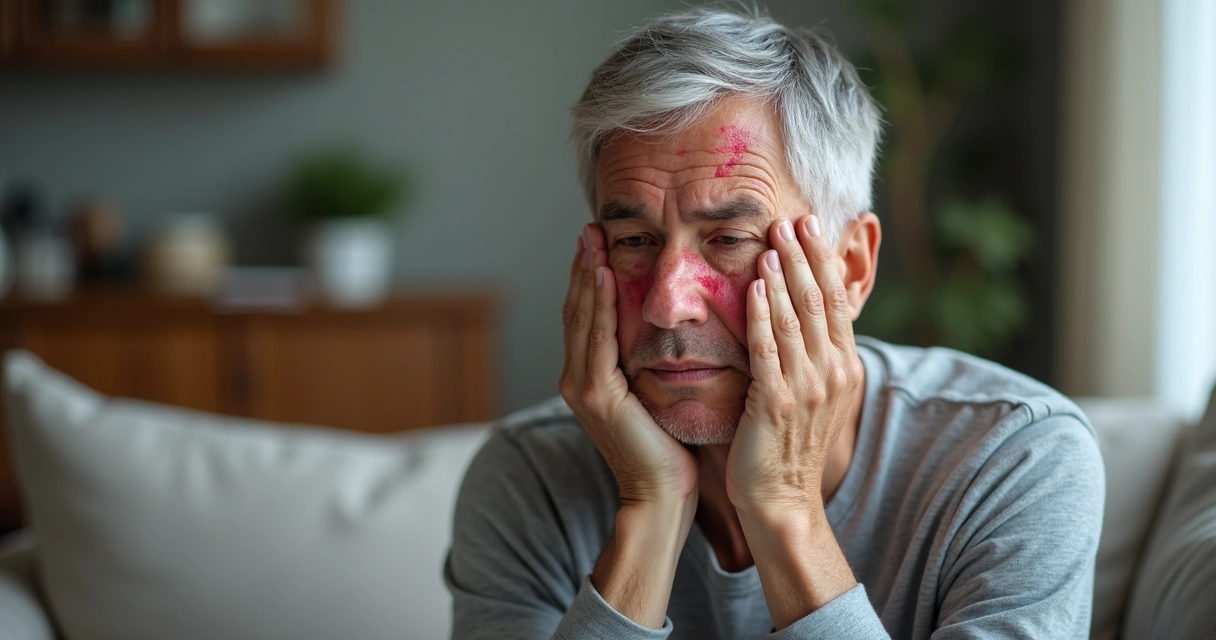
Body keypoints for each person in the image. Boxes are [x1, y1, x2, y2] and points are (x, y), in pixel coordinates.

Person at [445, 7, 1104, 639]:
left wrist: (785, 508)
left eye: (731, 239)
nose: (667, 304)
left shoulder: (1015, 458)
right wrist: (649, 509)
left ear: (850, 268)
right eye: (635, 241)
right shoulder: (528, 481)